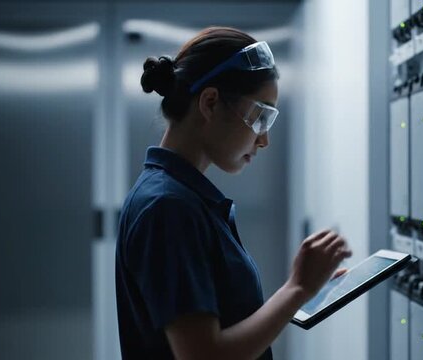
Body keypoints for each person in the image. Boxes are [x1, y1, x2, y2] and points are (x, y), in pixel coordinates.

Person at [115, 26, 352, 360]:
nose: (264, 139)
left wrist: (304, 292)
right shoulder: (167, 206)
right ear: (210, 102)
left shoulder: (182, 198)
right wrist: (297, 289)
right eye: (260, 116)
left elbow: (222, 324)